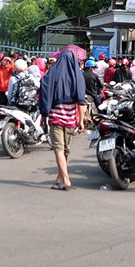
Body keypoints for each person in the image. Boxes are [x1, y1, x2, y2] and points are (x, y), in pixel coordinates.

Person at [39, 51, 86, 191]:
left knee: (58, 149)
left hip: (56, 117)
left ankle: (65, 179)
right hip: (71, 119)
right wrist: (82, 120)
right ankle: (60, 178)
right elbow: (82, 102)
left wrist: (44, 115)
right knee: (65, 150)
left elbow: (45, 95)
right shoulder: (78, 76)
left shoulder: (51, 75)